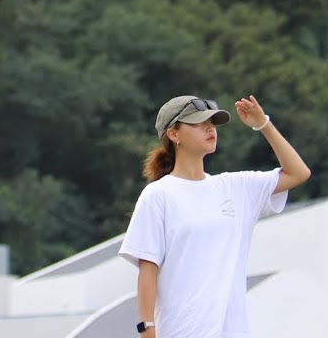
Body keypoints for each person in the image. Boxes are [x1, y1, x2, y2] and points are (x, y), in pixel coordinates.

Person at [119, 94, 311, 337]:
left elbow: (298, 173)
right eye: (197, 123)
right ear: (174, 134)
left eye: (211, 122)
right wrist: (147, 329)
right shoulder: (158, 195)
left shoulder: (236, 188)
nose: (209, 128)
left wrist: (262, 123)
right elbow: (148, 270)